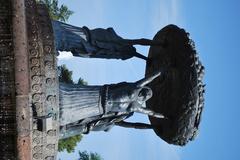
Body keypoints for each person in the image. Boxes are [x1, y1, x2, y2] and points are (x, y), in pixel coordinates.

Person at [52, 20, 165, 60]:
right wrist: (158, 43)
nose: (125, 54)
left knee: (70, 43)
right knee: (71, 37)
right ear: (127, 49)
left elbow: (135, 52)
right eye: (127, 52)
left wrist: (147, 60)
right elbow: (140, 41)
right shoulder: (121, 42)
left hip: (89, 47)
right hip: (90, 38)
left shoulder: (116, 54)